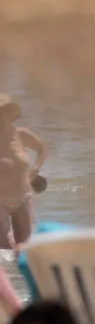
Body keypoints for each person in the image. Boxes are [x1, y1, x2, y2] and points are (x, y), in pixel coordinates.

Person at [0, 96, 49, 249]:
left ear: (10, 114)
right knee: (5, 247)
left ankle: (20, 274)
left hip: (23, 197)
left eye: (5, 112)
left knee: (24, 247)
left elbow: (43, 147)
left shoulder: (20, 134)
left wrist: (35, 168)